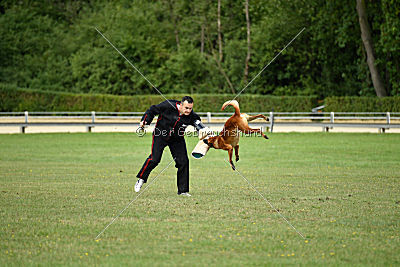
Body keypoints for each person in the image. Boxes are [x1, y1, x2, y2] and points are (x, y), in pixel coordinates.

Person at [134, 96, 205, 196]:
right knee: (154, 159)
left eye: (190, 108)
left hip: (177, 139)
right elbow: (152, 110)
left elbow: (197, 123)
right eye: (186, 108)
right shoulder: (168, 105)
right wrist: (145, 121)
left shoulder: (191, 115)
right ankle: (141, 179)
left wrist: (202, 130)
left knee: (183, 162)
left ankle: (183, 191)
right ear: (181, 105)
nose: (189, 111)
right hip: (160, 135)